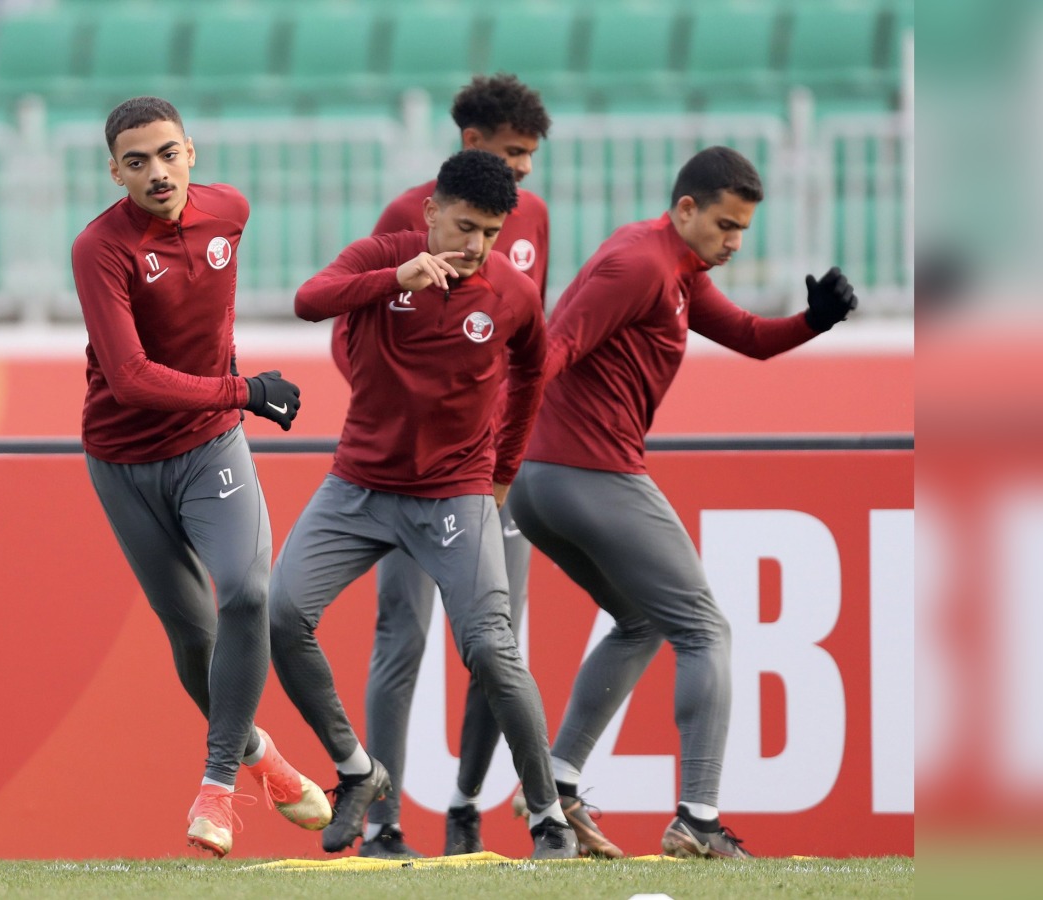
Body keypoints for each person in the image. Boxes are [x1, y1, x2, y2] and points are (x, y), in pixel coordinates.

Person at [507, 145, 860, 859]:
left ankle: (560, 785)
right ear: (687, 208)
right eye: (726, 226)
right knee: (706, 632)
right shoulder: (640, 264)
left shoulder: (677, 267)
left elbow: (753, 341)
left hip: (546, 482)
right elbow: (548, 352)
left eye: (744, 232)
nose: (734, 242)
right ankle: (697, 820)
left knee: (641, 620)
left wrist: (812, 321)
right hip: (587, 471)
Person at [269, 149, 577, 861]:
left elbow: (534, 370)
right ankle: (358, 771)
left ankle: (546, 819)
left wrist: (504, 468)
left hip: (454, 495)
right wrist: (390, 279)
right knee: (281, 615)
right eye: (465, 226)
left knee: (494, 653)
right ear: (431, 211)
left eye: (491, 233)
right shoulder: (387, 255)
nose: (475, 247)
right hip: (359, 488)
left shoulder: (511, 293)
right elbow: (308, 301)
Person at [331, 73, 606, 861]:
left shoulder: (535, 219)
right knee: (400, 631)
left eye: (531, 157)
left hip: (487, 472)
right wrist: (399, 414)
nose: (524, 171)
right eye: (515, 153)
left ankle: (466, 805)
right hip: (403, 471)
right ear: (473, 142)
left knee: (495, 642)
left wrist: (504, 452)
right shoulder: (405, 216)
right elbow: (347, 331)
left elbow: (528, 347)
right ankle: (384, 826)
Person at [71, 96, 331, 858]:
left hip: (212, 447)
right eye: (137, 161)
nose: (157, 172)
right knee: (193, 639)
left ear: (192, 151)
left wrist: (228, 398)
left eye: (168, 154)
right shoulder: (100, 249)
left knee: (248, 593)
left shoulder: (231, 213)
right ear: (114, 171)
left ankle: (217, 786)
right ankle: (260, 757)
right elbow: (130, 378)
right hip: (123, 460)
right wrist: (245, 389)